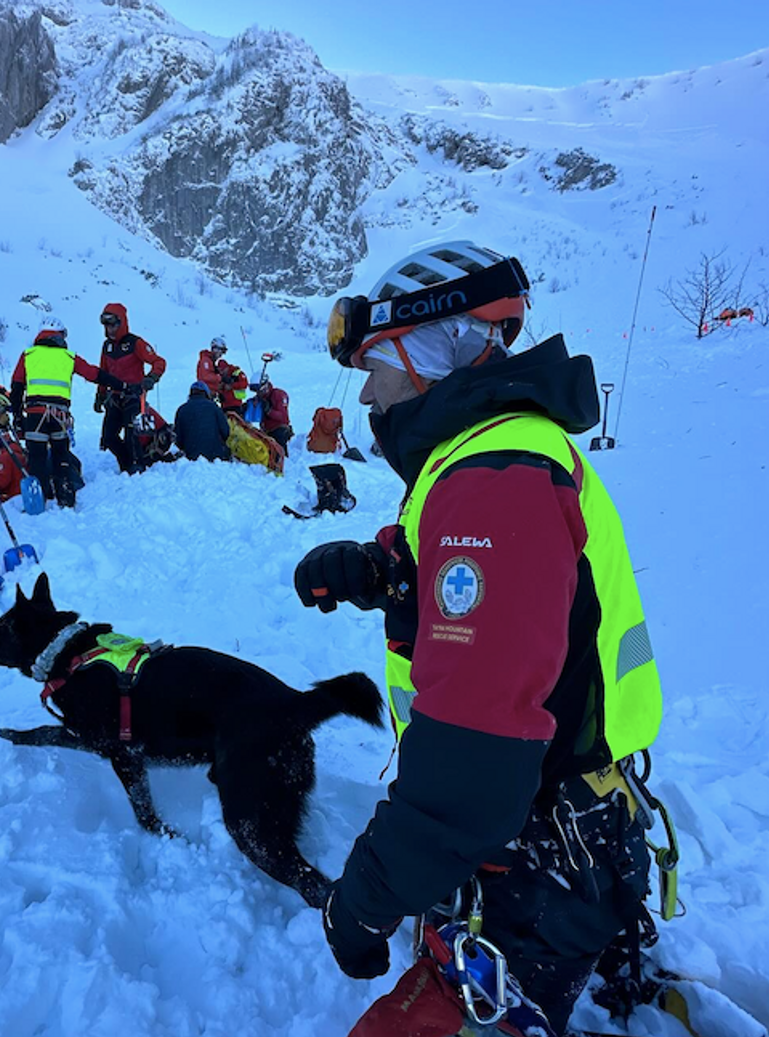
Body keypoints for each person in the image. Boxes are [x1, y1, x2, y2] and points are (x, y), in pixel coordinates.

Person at [293, 241, 662, 1035]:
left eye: (378, 366)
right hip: (580, 823)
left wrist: (362, 899)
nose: (370, 394)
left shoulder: (494, 480)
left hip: (537, 864)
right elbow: (515, 602)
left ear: (435, 353)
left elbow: (472, 767)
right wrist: (381, 568)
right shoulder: (502, 457)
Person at [9, 318, 121, 507]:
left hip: (35, 414)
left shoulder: (28, 355)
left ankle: (40, 499)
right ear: (60, 335)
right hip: (59, 416)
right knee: (61, 455)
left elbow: (17, 387)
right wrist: (121, 385)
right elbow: (94, 374)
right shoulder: (69, 357)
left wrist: (18, 416)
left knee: (37, 457)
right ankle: (65, 496)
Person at [95, 302, 166, 474]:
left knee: (132, 435)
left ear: (121, 322)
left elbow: (159, 362)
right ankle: (126, 461)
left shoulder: (136, 343)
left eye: (112, 324)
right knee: (108, 438)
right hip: (115, 397)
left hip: (134, 397)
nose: (109, 329)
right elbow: (103, 373)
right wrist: (100, 395)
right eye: (106, 325)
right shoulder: (107, 347)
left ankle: (137, 466)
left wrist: (151, 378)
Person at [174, 381, 230, 462]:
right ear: (206, 393)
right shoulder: (214, 408)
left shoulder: (182, 409)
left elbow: (178, 438)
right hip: (215, 455)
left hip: (191, 455)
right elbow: (226, 431)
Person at [197, 335, 248, 414]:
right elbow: (206, 377)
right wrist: (220, 379)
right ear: (215, 349)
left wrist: (229, 385)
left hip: (234, 404)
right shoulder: (206, 361)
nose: (221, 354)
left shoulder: (235, 372)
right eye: (221, 351)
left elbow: (244, 383)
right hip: (213, 399)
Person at [248, 375, 293, 455]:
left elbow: (282, 416)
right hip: (266, 430)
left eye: (260, 391)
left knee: (278, 448)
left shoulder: (278, 395)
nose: (258, 393)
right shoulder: (260, 398)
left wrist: (269, 411)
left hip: (279, 429)